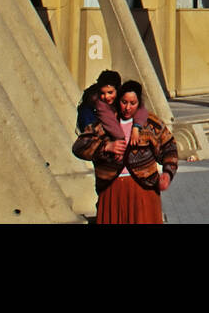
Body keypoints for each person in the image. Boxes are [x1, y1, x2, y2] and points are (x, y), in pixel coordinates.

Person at [73, 80, 178, 224]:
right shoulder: (105, 123)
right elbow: (79, 146)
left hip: (143, 190)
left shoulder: (150, 123)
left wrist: (168, 172)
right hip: (112, 189)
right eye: (124, 102)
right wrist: (105, 147)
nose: (127, 108)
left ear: (139, 103)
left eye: (132, 103)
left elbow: (169, 146)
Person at [76, 69, 147, 138]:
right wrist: (124, 139)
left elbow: (141, 109)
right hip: (89, 119)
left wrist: (136, 127)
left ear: (118, 90)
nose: (106, 97)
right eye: (103, 93)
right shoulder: (99, 103)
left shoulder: (121, 96)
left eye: (110, 92)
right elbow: (112, 127)